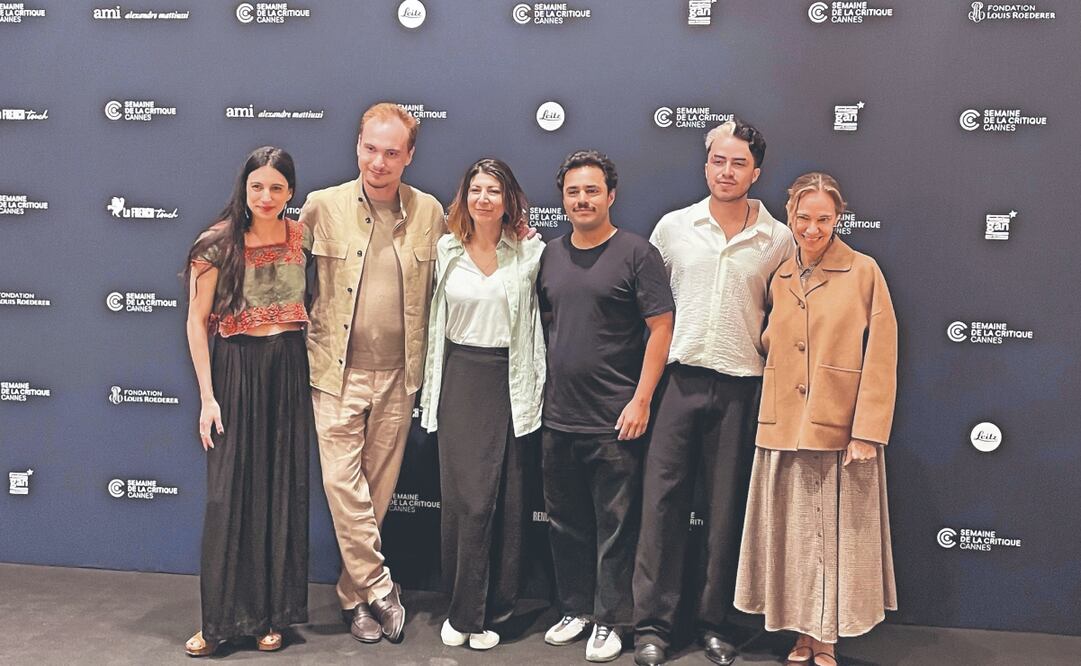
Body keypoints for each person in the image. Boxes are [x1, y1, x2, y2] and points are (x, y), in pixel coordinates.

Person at [633, 119, 794, 666]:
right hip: (676, 384)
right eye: (719, 161)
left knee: (727, 514)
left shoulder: (778, 238)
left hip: (742, 389)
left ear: (757, 172)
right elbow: (648, 313)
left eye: (739, 163)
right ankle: (653, 625)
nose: (727, 172)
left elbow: (787, 319)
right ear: (706, 165)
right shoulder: (673, 228)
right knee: (661, 509)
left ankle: (714, 623)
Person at [734, 172, 898, 666]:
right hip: (784, 429)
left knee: (833, 540)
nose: (812, 228)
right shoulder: (780, 276)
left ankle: (827, 638)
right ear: (790, 216)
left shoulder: (865, 271)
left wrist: (867, 432)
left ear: (838, 218)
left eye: (823, 219)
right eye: (804, 218)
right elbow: (770, 342)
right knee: (796, 538)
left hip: (840, 431)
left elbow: (883, 355)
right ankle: (801, 634)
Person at [300, 102, 445, 644]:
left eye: (391, 152)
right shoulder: (321, 206)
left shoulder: (431, 212)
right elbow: (278, 263)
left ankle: (351, 596)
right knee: (344, 486)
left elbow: (476, 247)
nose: (378, 162)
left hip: (399, 377)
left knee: (376, 495)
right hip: (334, 373)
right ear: (356, 144)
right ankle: (381, 585)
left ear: (409, 155)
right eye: (370, 148)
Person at [537, 150, 674, 663]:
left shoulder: (637, 253)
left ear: (611, 196)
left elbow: (661, 328)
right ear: (563, 198)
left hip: (616, 419)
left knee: (616, 528)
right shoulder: (549, 255)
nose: (582, 199)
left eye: (592, 190)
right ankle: (575, 608)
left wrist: (642, 400)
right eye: (573, 192)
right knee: (566, 522)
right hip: (558, 417)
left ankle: (612, 619)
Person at [183, 146, 312, 657]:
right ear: (244, 188)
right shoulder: (216, 244)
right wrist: (207, 397)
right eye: (257, 186)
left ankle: (268, 616)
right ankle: (218, 623)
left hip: (288, 368)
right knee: (228, 497)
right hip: (236, 368)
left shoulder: (300, 237)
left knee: (280, 490)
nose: (266, 196)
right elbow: (196, 322)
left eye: (277, 188)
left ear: (291, 193)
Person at [419, 158, 545, 651]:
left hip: (510, 380)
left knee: (508, 501)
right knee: (467, 502)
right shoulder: (446, 249)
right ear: (464, 197)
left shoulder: (531, 252)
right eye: (475, 189)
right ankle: (462, 610)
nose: (484, 198)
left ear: (508, 199)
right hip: (461, 379)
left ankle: (496, 611)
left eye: (493, 190)